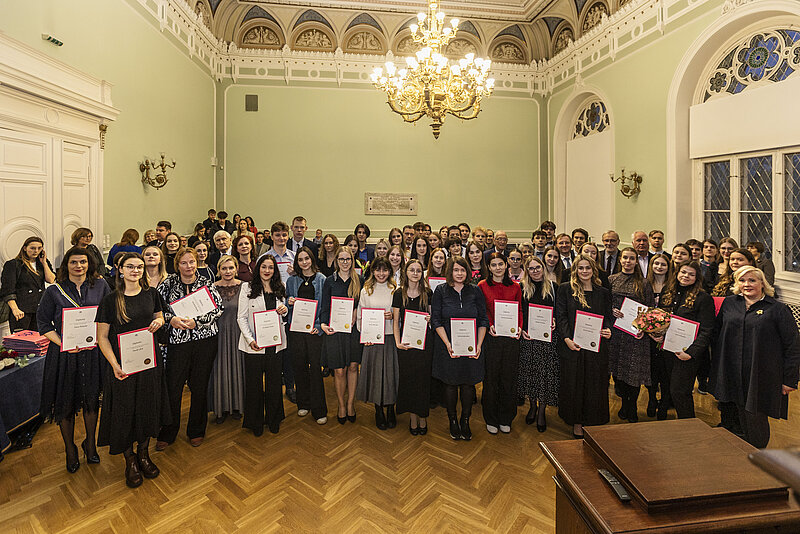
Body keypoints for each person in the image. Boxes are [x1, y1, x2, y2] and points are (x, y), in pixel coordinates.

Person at [95, 252, 168, 488]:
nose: (135, 271)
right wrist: (115, 365)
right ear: (120, 270)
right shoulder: (110, 300)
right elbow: (102, 338)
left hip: (148, 364)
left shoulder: (151, 294)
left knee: (146, 407)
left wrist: (160, 322)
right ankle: (130, 461)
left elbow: (159, 317)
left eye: (139, 267)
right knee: (125, 411)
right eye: (130, 267)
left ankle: (144, 454)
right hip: (122, 368)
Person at [37, 246, 111, 473]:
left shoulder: (101, 286)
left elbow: (108, 316)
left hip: (93, 353)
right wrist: (64, 344)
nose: (79, 266)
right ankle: (70, 449)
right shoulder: (54, 291)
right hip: (64, 356)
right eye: (74, 262)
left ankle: (90, 443)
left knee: (91, 400)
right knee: (65, 403)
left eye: (83, 262)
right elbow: (43, 324)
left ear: (90, 264)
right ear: (65, 265)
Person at [711, 266, 800, 448]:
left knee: (756, 416)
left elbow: (793, 346)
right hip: (733, 371)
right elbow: (716, 333)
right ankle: (746, 454)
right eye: (742, 280)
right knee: (740, 413)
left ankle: (758, 454)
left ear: (762, 283)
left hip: (762, 375)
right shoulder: (729, 303)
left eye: (752, 280)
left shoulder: (778, 309)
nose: (747, 284)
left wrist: (789, 380)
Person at [156, 248, 223, 449]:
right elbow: (156, 309)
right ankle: (168, 432)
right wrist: (171, 319)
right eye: (184, 263)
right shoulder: (168, 284)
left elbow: (218, 309)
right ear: (177, 265)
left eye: (192, 262)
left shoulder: (206, 283)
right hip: (178, 343)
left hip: (205, 341)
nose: (188, 266)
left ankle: (196, 430)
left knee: (199, 386)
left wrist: (198, 322)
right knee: (173, 387)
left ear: (197, 262)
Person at [431, 256, 489, 441]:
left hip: (471, 347)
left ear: (468, 272)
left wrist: (479, 345)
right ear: (450, 271)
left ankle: (465, 419)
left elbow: (483, 319)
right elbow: (436, 319)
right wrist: (448, 344)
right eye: (456, 270)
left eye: (462, 270)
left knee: (468, 385)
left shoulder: (475, 290)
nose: (459, 273)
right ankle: (453, 420)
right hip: (448, 346)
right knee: (450, 384)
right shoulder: (441, 291)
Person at [555, 255, 613, 438]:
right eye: (581, 268)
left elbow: (608, 317)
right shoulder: (565, 289)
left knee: (595, 384)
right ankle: (577, 421)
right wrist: (566, 339)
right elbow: (561, 316)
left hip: (596, 348)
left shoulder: (603, 292)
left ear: (593, 269)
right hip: (573, 346)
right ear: (575, 270)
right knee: (575, 384)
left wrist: (609, 330)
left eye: (588, 267)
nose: (584, 271)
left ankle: (593, 420)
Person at [651, 261, 715, 420]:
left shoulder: (703, 298)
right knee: (667, 387)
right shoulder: (668, 291)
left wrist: (691, 353)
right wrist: (658, 334)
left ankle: (689, 426)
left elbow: (707, 330)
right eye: (683, 272)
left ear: (697, 277)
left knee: (680, 392)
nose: (686, 276)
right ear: (677, 273)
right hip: (666, 350)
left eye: (691, 274)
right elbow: (662, 319)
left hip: (687, 354)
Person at [236, 254, 289, 435]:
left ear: (275, 271)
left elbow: (282, 311)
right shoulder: (247, 288)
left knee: (275, 384)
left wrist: (285, 309)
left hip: (275, 344)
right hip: (254, 345)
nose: (267, 271)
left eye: (271, 268)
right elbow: (241, 317)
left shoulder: (280, 287)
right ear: (258, 268)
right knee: (254, 385)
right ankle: (255, 422)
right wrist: (250, 340)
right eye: (264, 267)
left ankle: (274, 419)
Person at [608, 247, 655, 423]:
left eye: (631, 258)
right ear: (620, 260)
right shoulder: (611, 279)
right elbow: (606, 304)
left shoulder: (644, 283)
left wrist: (643, 328)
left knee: (633, 373)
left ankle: (632, 406)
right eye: (625, 258)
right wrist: (612, 310)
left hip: (636, 335)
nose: (628, 261)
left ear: (636, 261)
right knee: (618, 373)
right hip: (616, 333)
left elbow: (650, 309)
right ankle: (623, 403)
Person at [478, 253, 522, 435]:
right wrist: (489, 325)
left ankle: (506, 417)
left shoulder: (516, 287)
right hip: (492, 338)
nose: (497, 268)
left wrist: (519, 327)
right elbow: (482, 311)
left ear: (507, 265)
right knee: (491, 379)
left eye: (500, 264)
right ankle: (491, 417)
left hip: (511, 339)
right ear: (488, 267)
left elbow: (519, 309)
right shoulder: (482, 286)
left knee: (508, 379)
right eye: (493, 265)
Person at [320, 246, 363, 424]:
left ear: (352, 261)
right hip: (335, 331)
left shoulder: (359, 279)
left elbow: (365, 304)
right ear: (336, 261)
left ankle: (351, 403)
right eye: (341, 259)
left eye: (348, 259)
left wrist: (356, 311)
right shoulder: (330, 281)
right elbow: (325, 306)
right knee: (339, 370)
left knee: (353, 367)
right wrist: (323, 324)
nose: (345, 262)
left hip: (353, 331)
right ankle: (341, 405)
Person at [285, 247, 328, 425]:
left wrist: (317, 326)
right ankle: (304, 403)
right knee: (299, 367)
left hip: (314, 332)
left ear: (312, 260)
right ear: (297, 262)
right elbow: (286, 308)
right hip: (296, 331)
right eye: (300, 259)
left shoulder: (322, 279)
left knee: (315, 370)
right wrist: (289, 303)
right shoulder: (292, 281)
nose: (304, 262)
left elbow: (325, 307)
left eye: (307, 259)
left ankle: (319, 410)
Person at [356, 257, 398, 430]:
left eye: (385, 270)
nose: (381, 274)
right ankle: (378, 409)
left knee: (390, 375)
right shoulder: (366, 290)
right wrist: (364, 334)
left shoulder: (395, 289)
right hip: (372, 339)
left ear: (390, 271)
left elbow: (402, 314)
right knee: (375, 375)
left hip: (389, 337)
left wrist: (394, 315)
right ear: (372, 271)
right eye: (378, 270)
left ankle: (391, 408)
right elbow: (360, 314)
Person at [392, 259, 433, 435]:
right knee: (409, 381)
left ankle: (423, 416)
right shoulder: (398, 293)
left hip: (424, 344)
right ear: (406, 272)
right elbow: (395, 321)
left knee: (422, 381)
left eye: (418, 270)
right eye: (412, 270)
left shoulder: (428, 293)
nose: (415, 273)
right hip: (406, 344)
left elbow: (433, 317)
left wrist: (431, 319)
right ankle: (413, 418)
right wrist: (397, 342)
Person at [519, 256, 558, 432]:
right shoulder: (522, 288)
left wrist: (555, 320)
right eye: (531, 268)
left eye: (538, 267)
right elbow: (519, 312)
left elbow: (559, 311)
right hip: (529, 338)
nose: (535, 271)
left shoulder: (554, 288)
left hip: (548, 340)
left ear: (543, 268)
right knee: (531, 373)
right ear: (526, 271)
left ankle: (541, 410)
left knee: (544, 375)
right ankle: (532, 406)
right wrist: (522, 329)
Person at [210, 255, 244, 424]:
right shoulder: (211, 288)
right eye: (224, 268)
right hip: (218, 334)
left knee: (238, 367)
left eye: (231, 268)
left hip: (239, 334)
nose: (228, 271)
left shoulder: (245, 287)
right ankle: (221, 408)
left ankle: (238, 406)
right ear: (218, 271)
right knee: (220, 369)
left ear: (236, 269)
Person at [1, 236, 55, 332]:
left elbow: (51, 280)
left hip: (39, 308)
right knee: (22, 342)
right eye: (32, 248)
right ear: (25, 248)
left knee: (39, 341)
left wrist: (44, 263)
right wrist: (15, 309)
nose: (36, 251)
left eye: (39, 248)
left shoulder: (42, 264)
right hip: (21, 310)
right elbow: (8, 289)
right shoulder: (14, 264)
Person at [645, 253, 671, 416]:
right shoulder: (645, 284)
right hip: (649, 336)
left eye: (663, 264)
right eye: (656, 264)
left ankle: (664, 403)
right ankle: (651, 398)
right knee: (651, 372)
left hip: (668, 337)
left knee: (666, 372)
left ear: (668, 268)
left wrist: (663, 332)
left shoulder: (672, 286)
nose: (659, 267)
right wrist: (650, 332)